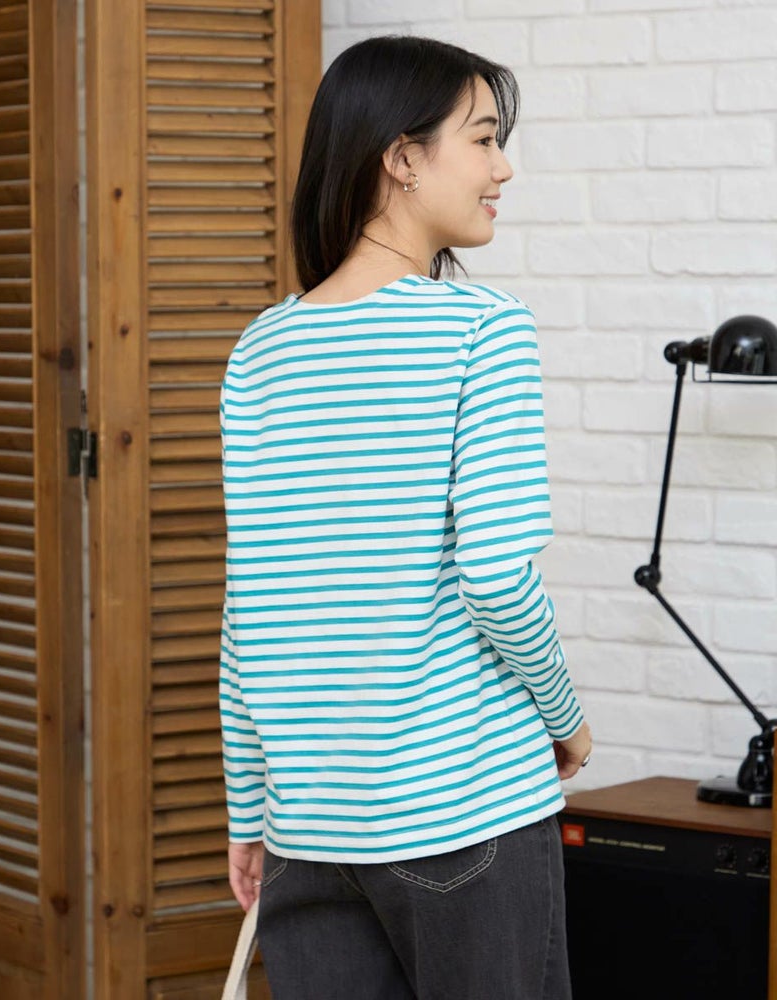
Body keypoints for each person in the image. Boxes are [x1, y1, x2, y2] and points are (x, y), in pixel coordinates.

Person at [219, 33, 592, 1000]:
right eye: (484, 139)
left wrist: (249, 811)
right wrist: (566, 718)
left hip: (310, 829)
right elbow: (497, 577)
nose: (503, 168)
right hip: (465, 814)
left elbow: (249, 607)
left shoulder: (261, 350)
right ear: (402, 157)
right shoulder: (482, 329)